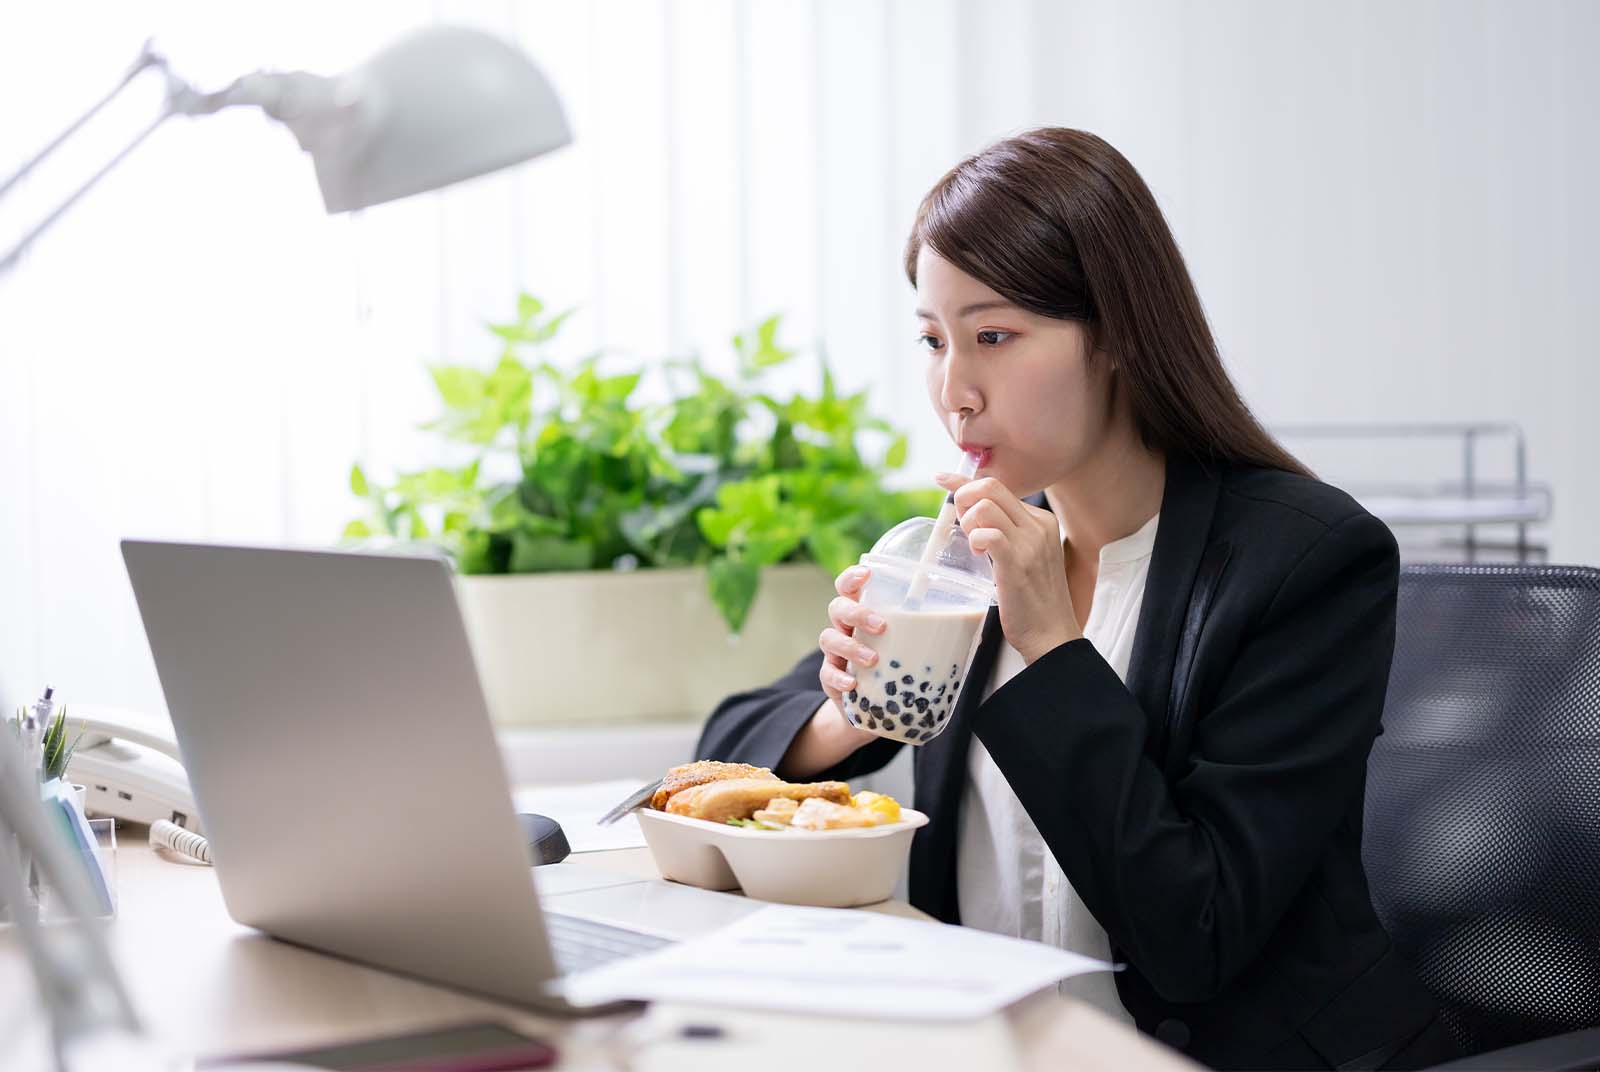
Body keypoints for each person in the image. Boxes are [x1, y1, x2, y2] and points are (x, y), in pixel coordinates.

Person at [695, 128, 1460, 1070]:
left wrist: (1054, 648)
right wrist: (849, 710)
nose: (954, 392)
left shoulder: (1307, 562)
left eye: (993, 337)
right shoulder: (974, 555)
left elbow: (1194, 933)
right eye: (934, 341)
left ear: (1118, 335)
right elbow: (712, 762)